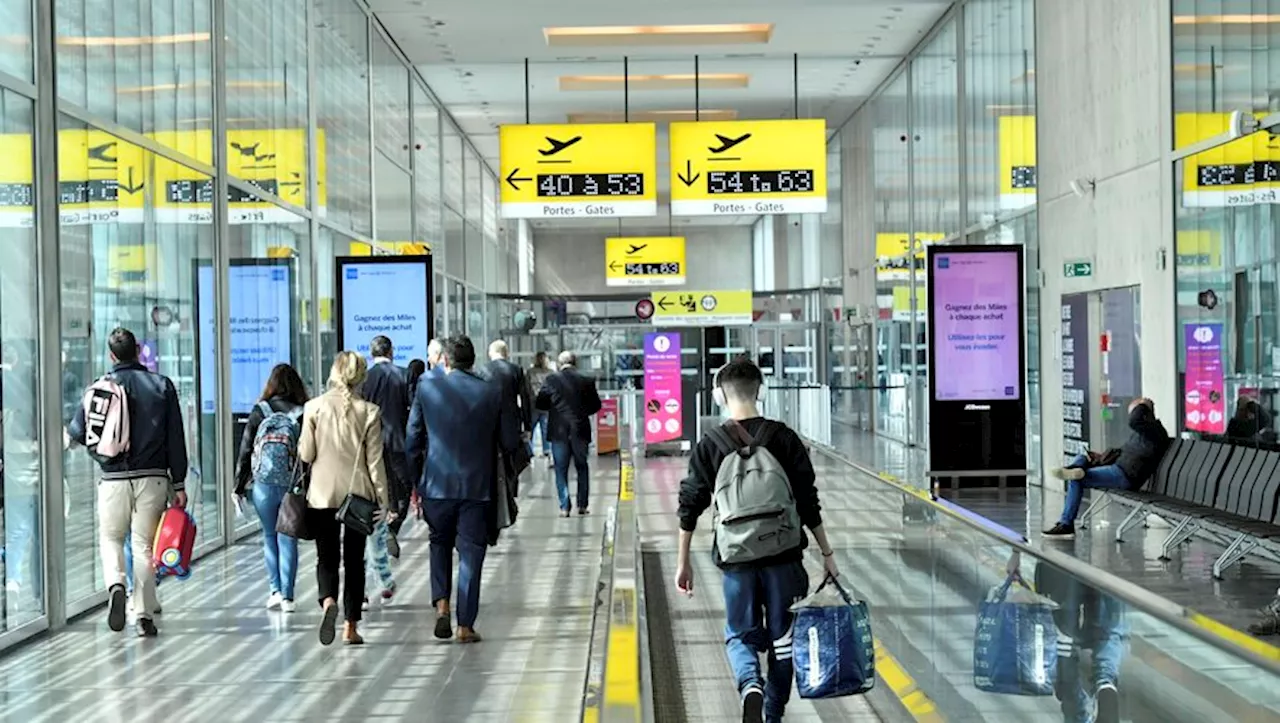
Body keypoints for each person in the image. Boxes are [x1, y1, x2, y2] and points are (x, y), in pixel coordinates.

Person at [674, 359, 838, 723]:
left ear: (719, 395)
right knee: (783, 641)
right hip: (784, 556)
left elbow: (690, 504)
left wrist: (682, 561)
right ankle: (773, 714)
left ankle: (750, 684)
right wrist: (827, 553)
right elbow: (808, 501)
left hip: (736, 560)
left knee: (740, 635)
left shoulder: (710, 444)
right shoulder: (783, 437)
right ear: (760, 390)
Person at [68, 328, 188, 638]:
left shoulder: (99, 389)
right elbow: (175, 438)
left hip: (112, 479)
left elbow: (79, 432)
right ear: (137, 349)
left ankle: (116, 585)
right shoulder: (161, 385)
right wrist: (179, 482)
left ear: (111, 355)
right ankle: (144, 615)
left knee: (110, 539)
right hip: (153, 478)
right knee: (143, 546)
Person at [406, 334, 519, 643]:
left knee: (438, 543)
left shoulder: (427, 388)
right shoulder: (490, 391)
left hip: (436, 485)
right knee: (471, 554)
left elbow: (412, 439)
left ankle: (442, 605)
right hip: (477, 487)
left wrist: (417, 481)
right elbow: (510, 441)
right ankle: (464, 625)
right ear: (474, 360)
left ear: (446, 360)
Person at [298, 351, 391, 646]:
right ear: (360, 376)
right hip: (358, 495)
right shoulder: (370, 411)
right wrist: (384, 500)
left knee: (326, 556)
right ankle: (351, 626)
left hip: (322, 494)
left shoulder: (313, 407)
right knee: (354, 559)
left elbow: (306, 455)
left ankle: (328, 602)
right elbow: (375, 462)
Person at [233, 363, 308, 612]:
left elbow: (245, 450)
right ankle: (288, 596)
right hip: (291, 485)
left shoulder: (260, 410)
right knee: (288, 537)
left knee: (269, 536)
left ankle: (274, 590)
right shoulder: (302, 411)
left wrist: (238, 485)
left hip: (263, 485)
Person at [1043, 397, 1170, 539]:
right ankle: (1076, 467)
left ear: (1143, 413)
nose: (1132, 416)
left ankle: (1066, 524)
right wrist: (1101, 457)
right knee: (1082, 459)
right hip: (1119, 469)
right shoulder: (1146, 431)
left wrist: (1143, 405)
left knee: (1077, 479)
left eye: (1134, 412)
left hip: (1126, 476)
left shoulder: (1154, 432)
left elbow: (1134, 421)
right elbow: (1127, 451)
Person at [1034, 558, 1128, 723]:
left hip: (1063, 556)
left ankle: (1077, 712)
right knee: (1109, 629)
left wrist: (1016, 553)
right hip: (1110, 557)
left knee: (1064, 637)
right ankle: (1105, 685)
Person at [535, 351, 602, 516]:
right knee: (582, 466)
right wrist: (581, 412)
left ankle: (565, 506)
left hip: (559, 432)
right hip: (580, 430)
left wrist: (554, 408)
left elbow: (540, 403)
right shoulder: (586, 380)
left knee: (560, 469)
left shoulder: (551, 380)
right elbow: (596, 405)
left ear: (559, 363)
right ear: (575, 362)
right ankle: (582, 505)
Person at [363, 335, 411, 561]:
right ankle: (394, 526)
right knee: (403, 489)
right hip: (399, 441)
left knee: (376, 487)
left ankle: (379, 527)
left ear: (372, 354)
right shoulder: (403, 375)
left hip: (372, 443)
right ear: (391, 352)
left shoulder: (365, 378)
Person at [482, 340, 532, 485]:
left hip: (488, 421)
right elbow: (525, 398)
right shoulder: (516, 369)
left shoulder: (482, 370)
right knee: (511, 458)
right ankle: (511, 490)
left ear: (490, 352)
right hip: (511, 421)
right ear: (506, 353)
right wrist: (527, 425)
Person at [527, 351, 553, 459]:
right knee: (545, 428)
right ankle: (547, 450)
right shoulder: (551, 373)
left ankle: (529, 450)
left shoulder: (530, 372)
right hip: (546, 405)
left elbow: (527, 389)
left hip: (533, 404)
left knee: (531, 428)